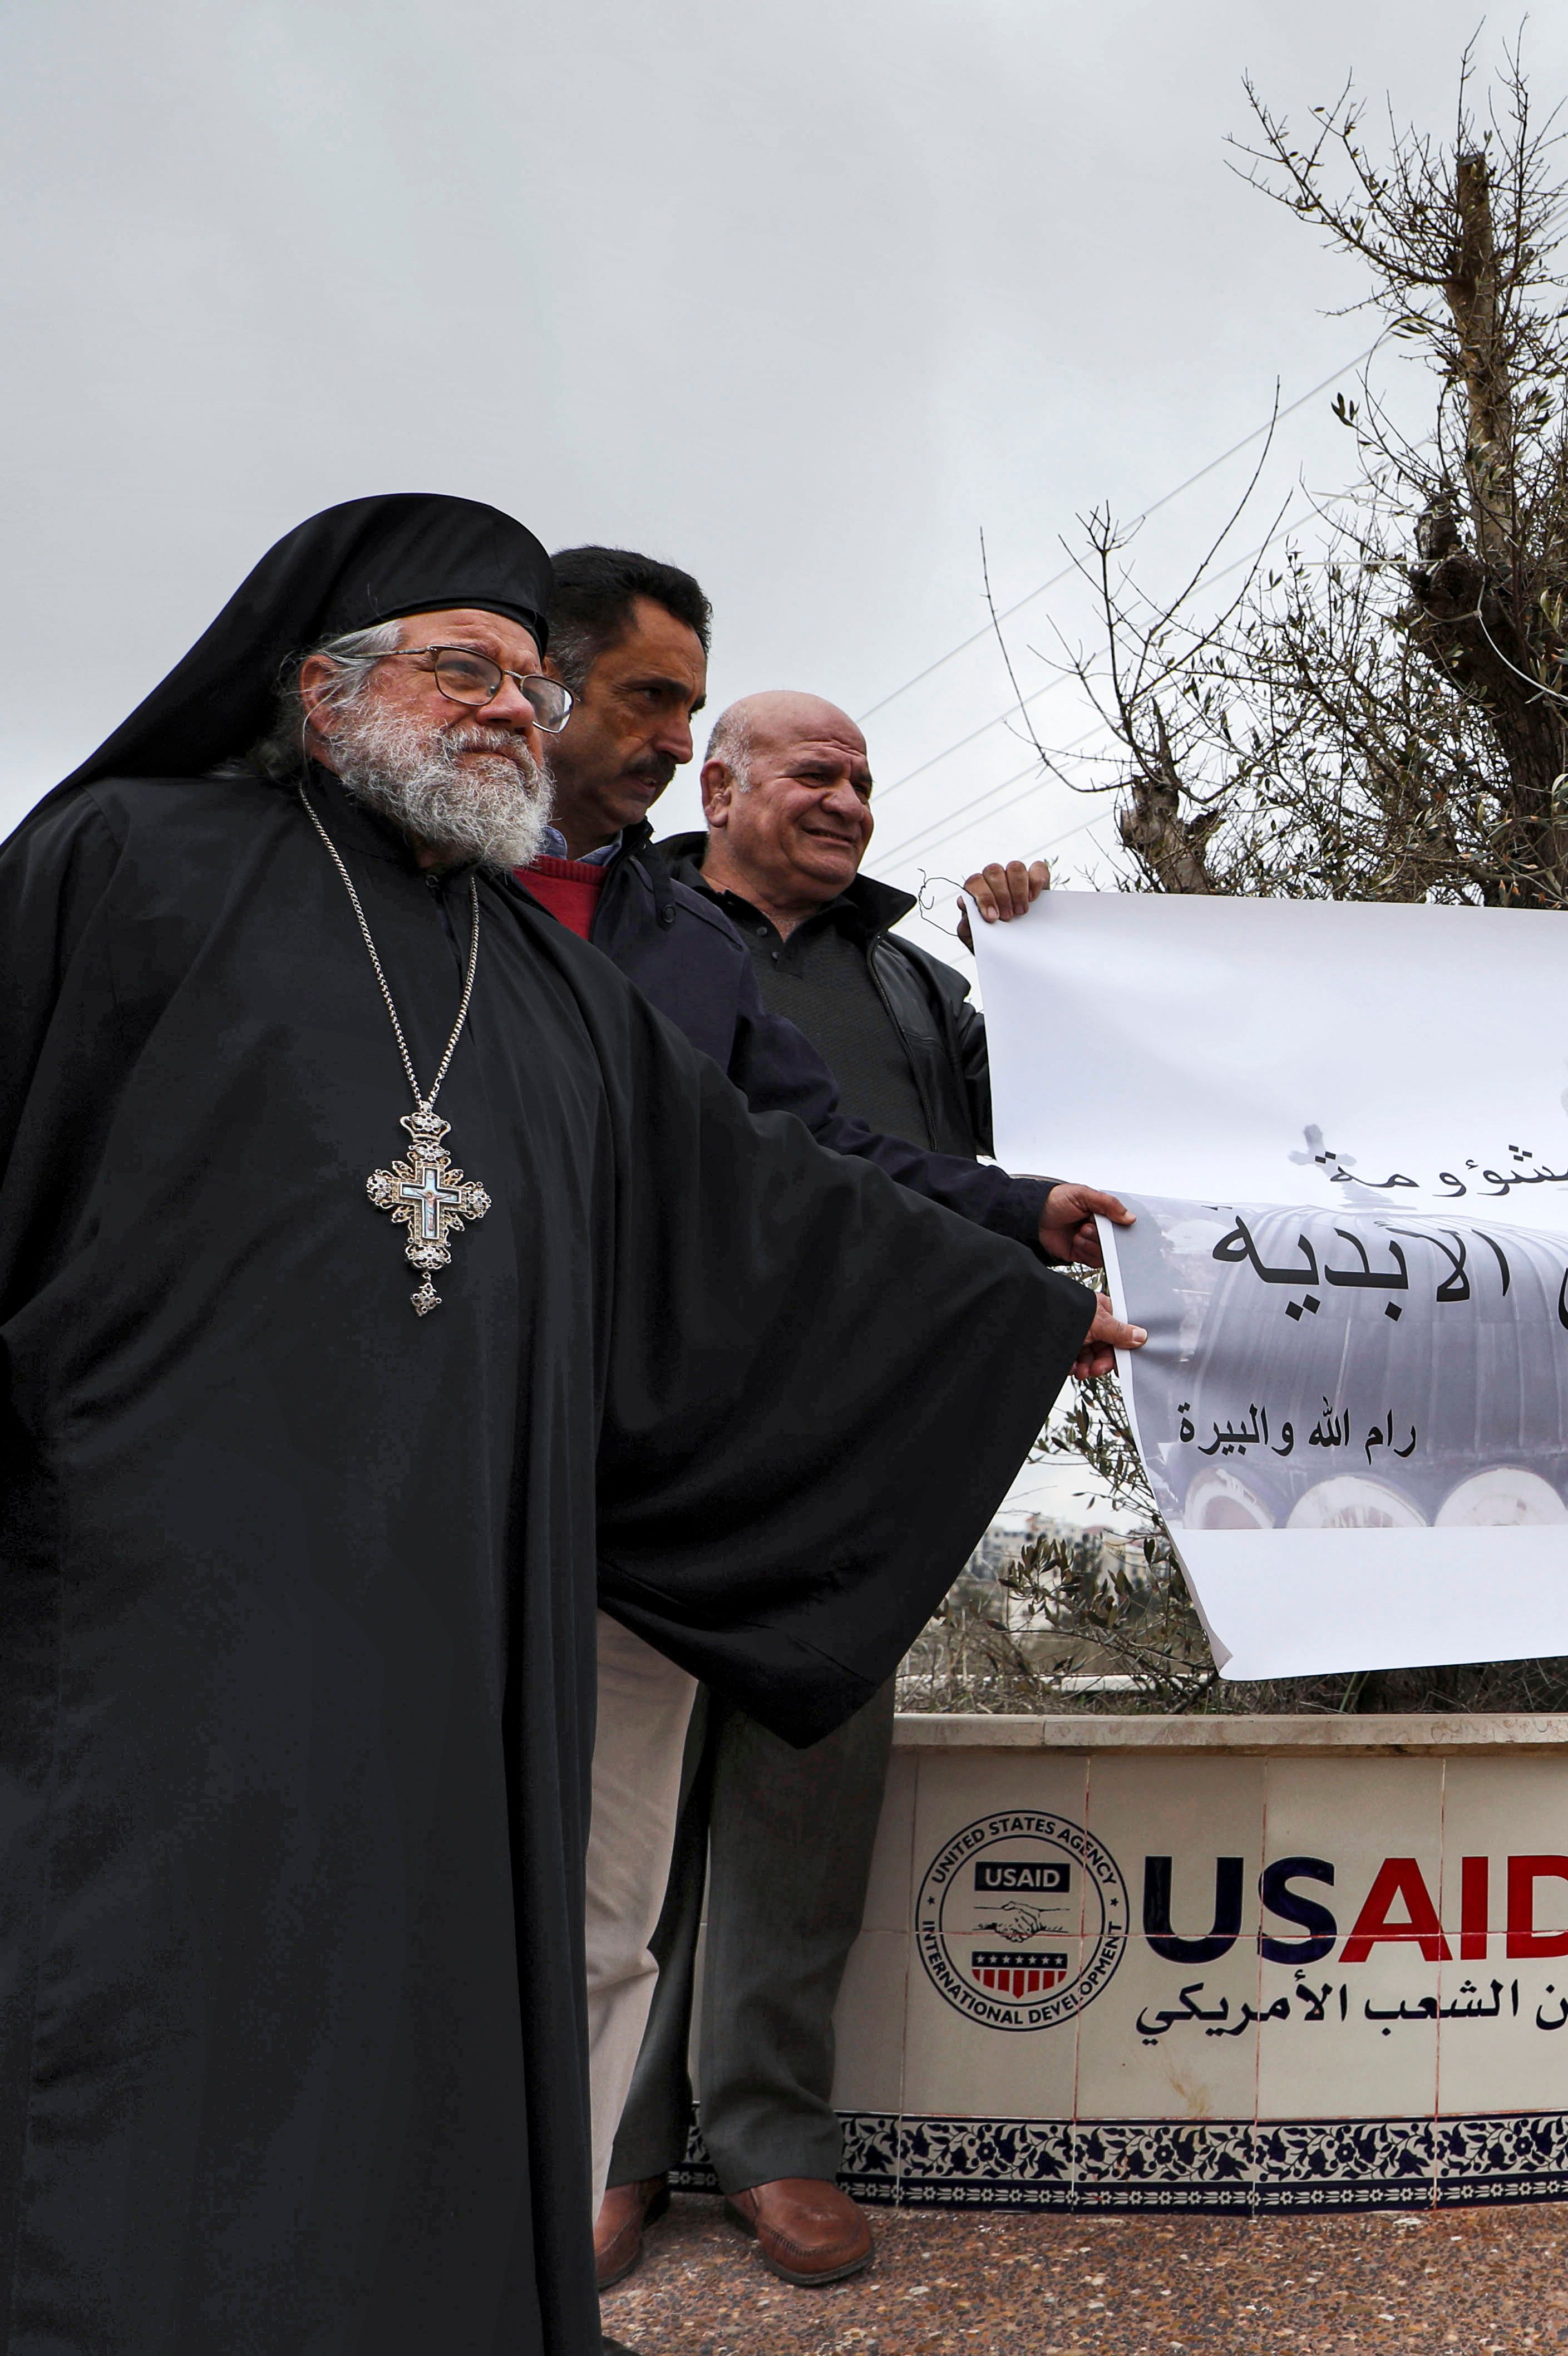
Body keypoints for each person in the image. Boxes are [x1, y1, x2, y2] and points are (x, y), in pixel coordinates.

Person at [0, 494, 1131, 2354]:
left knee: (439, 1997)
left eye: (531, 678)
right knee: (166, 2004)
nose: (513, 709)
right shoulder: (131, 863)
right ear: (318, 686)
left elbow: (758, 1193)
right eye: (467, 667)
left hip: (463, 1600)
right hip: (155, 1605)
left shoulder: (549, 987)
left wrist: (1006, 1294)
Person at [528, 557, 1131, 2295]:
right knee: (608, 1829)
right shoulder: (582, 912)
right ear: (716, 783)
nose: (850, 805)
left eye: (868, 784)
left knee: (802, 1804)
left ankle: (774, 2142)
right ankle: (610, 2159)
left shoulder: (926, 990)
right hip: (630, 1449)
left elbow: (929, 1161)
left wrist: (1042, 960)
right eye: (815, 775)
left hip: (841, 1458)